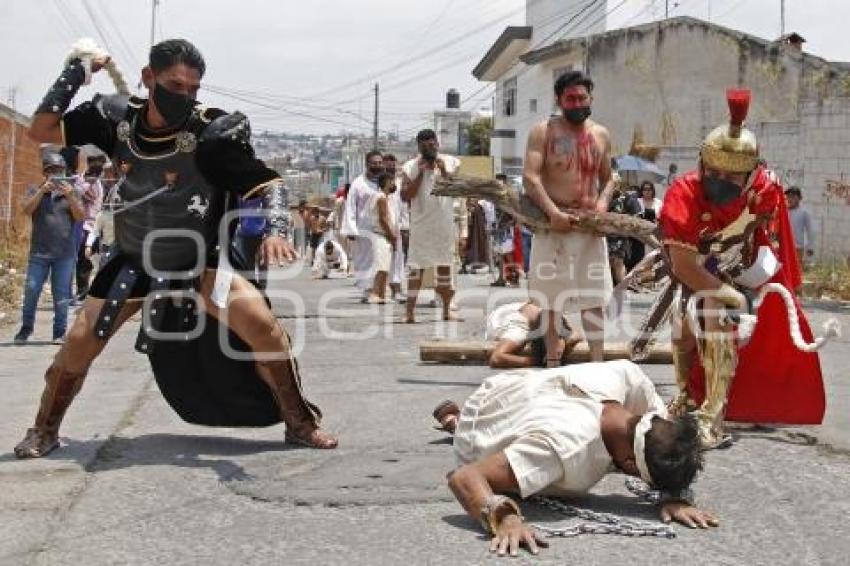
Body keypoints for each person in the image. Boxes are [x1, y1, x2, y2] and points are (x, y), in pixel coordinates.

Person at [15, 38, 337, 458]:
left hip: (199, 259)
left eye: (192, 88)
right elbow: (41, 130)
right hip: (134, 258)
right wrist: (76, 69)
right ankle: (44, 428)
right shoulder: (114, 118)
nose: (183, 95)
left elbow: (267, 182)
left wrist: (277, 228)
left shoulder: (210, 132)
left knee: (263, 326)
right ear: (148, 78)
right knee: (78, 340)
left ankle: (300, 422)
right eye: (174, 84)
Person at [659, 89, 825, 449]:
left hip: (746, 263)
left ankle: (712, 415)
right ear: (701, 163)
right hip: (696, 267)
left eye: (731, 176)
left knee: (716, 317)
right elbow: (686, 266)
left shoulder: (766, 188)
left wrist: (748, 289)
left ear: (752, 173)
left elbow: (771, 229)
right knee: (682, 332)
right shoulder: (682, 195)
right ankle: (688, 394)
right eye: (712, 171)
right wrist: (732, 295)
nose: (719, 179)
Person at [433, 361, 716, 558]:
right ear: (630, 465)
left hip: (513, 387)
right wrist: (505, 518)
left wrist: (672, 495)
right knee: (497, 458)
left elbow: (665, 440)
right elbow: (466, 477)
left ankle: (452, 420)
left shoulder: (630, 379)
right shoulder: (564, 449)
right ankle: (456, 424)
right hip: (482, 425)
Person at [522, 71, 616, 366]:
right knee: (551, 300)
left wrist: (602, 204)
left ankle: (598, 363)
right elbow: (530, 177)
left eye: (582, 98)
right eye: (570, 98)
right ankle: (552, 361)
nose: (577, 103)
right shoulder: (543, 131)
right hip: (554, 227)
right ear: (559, 100)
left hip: (589, 229)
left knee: (594, 300)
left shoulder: (601, 134)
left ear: (591, 98)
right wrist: (554, 213)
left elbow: (610, 178)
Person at [13, 151, 86, 345]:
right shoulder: (35, 190)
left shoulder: (72, 191)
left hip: (64, 255)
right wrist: (41, 192)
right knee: (31, 290)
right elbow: (26, 210)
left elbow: (80, 217)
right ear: (45, 173)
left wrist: (70, 196)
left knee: (61, 295)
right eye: (51, 170)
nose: (55, 174)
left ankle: (59, 332)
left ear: (64, 171)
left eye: (59, 170)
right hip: (39, 253)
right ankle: (25, 329)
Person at [401, 129, 461, 323]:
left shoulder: (451, 162)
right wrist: (420, 172)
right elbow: (405, 196)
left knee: (444, 269)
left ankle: (446, 311)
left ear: (437, 143)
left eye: (432, 142)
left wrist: (442, 170)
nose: (430, 146)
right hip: (421, 226)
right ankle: (409, 313)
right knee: (416, 269)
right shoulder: (410, 167)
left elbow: (455, 188)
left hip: (443, 225)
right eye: (425, 143)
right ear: (419, 146)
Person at [485, 301, 580, 368]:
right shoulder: (519, 330)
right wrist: (535, 362)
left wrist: (566, 345)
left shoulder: (553, 316)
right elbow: (497, 358)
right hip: (505, 315)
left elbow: (575, 336)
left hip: (525, 309)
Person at [343, 151, 383, 301]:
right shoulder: (358, 184)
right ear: (367, 164)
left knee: (381, 259)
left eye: (380, 163)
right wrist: (351, 229)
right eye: (374, 163)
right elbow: (351, 207)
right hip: (363, 229)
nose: (378, 166)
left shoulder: (384, 182)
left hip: (381, 227)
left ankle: (379, 290)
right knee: (365, 260)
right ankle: (367, 290)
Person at [74, 153, 105, 301]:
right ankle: (82, 290)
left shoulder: (97, 183)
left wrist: (89, 181)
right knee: (80, 260)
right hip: (78, 223)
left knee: (85, 260)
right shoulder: (82, 178)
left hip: (90, 225)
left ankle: (84, 291)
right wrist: (86, 179)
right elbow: (77, 191)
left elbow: (87, 195)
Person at [367, 172, 398, 303]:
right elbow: (383, 219)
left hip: (383, 236)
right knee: (381, 267)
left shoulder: (383, 197)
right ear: (385, 182)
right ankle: (374, 294)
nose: (393, 184)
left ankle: (382, 294)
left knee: (385, 266)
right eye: (391, 181)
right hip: (381, 235)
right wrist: (391, 236)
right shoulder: (381, 197)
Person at [383, 154, 406, 300]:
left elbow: (403, 206)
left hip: (397, 226)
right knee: (381, 259)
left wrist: (405, 226)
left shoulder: (399, 183)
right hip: (380, 227)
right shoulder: (377, 184)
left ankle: (396, 289)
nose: (391, 167)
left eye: (393, 165)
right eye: (387, 165)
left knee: (398, 258)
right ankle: (379, 290)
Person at [606, 186, 641, 285]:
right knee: (609, 263)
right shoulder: (602, 198)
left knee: (618, 262)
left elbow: (637, 216)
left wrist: (627, 224)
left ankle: (622, 288)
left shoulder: (627, 198)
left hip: (620, 237)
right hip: (604, 236)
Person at [785, 186, 815, 269]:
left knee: (796, 269)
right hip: (785, 245)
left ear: (800, 198)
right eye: (788, 196)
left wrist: (810, 246)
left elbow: (810, 231)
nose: (790, 199)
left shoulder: (804, 212)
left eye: (793, 196)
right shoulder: (784, 212)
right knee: (785, 269)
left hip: (797, 247)